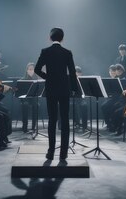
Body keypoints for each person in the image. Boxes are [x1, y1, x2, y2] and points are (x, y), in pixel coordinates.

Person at [34, 27, 78, 161]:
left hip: (51, 89)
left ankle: (50, 152)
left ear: (50, 38)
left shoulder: (45, 51)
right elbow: (72, 72)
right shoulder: (67, 52)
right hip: (64, 89)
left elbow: (36, 69)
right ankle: (63, 154)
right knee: (65, 121)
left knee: (52, 120)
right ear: (62, 39)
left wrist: (47, 77)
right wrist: (74, 89)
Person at [20, 62, 40, 132]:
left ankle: (33, 126)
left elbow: (39, 91)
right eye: (29, 69)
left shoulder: (37, 79)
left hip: (33, 98)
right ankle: (24, 126)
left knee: (36, 105)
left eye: (32, 69)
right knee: (25, 105)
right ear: (27, 70)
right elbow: (20, 93)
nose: (31, 71)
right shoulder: (23, 79)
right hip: (25, 99)